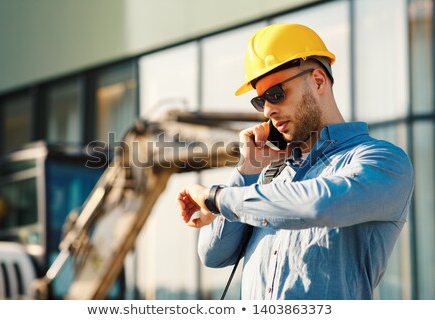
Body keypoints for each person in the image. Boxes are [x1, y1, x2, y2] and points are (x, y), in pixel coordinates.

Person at [176, 23, 414, 299]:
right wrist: (248, 170)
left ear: (318, 81)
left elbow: (318, 204)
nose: (267, 110)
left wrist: (217, 199)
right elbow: (213, 254)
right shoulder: (270, 178)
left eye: (276, 94)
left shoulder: (382, 161)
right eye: (260, 101)